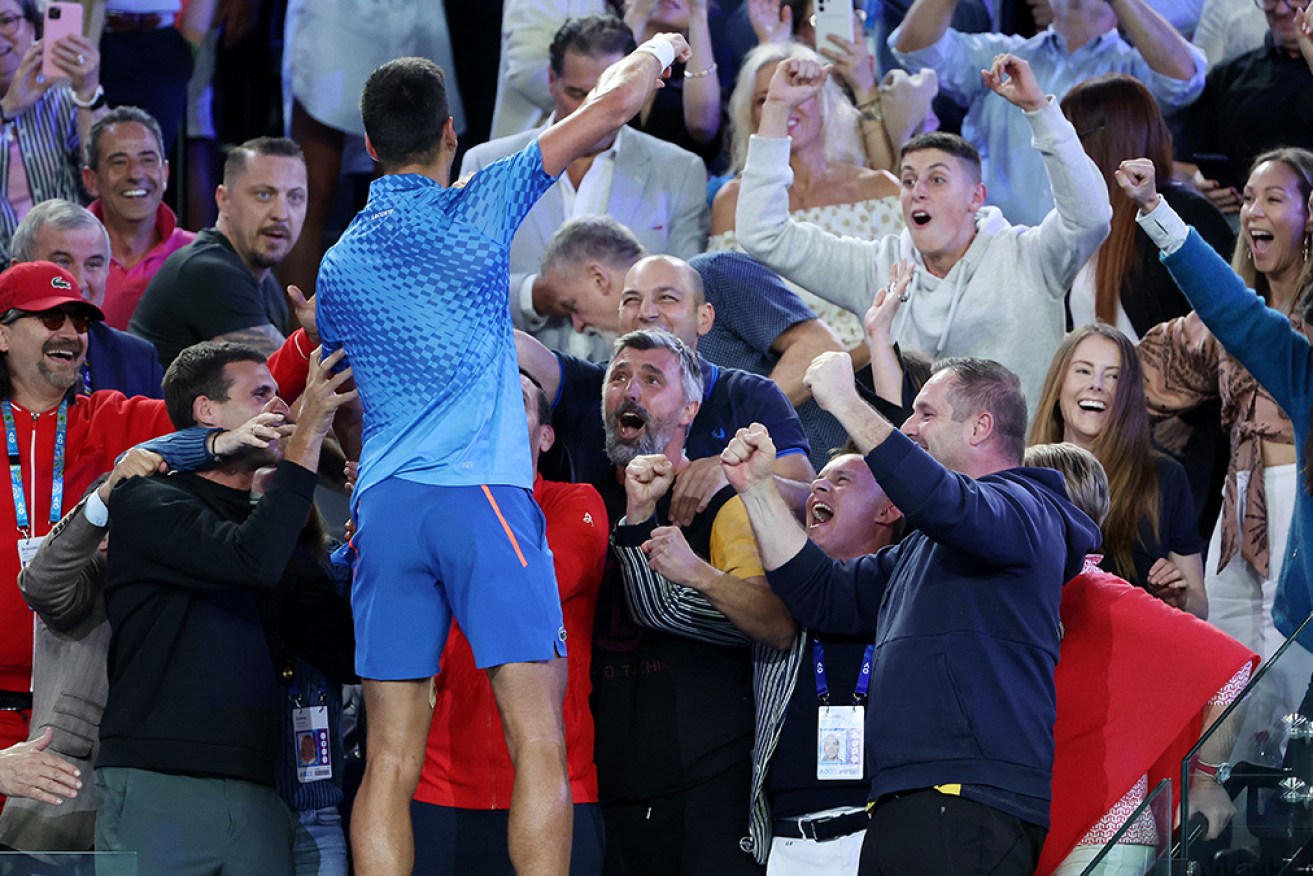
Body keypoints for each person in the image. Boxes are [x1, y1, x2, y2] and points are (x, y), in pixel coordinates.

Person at [313, 36, 692, 876]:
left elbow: (344, 401)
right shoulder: (478, 205)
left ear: (369, 146)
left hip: (385, 510)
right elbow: (609, 108)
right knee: (538, 741)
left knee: (388, 759)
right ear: (450, 133)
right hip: (478, 498)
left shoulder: (338, 264)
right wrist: (659, 45)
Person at [721, 353, 1101, 875]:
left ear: (980, 426)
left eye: (925, 413)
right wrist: (759, 492)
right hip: (903, 800)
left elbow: (948, 503)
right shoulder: (925, 547)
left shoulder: (1027, 509)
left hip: (968, 800)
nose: (909, 426)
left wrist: (848, 404)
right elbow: (825, 596)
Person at [95, 341, 356, 875]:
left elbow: (345, 651)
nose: (282, 409)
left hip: (260, 789)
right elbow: (247, 560)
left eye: (281, 395)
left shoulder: (276, 530)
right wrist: (307, 444)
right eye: (261, 393)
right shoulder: (148, 501)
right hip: (156, 783)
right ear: (206, 412)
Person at [735, 53, 1111, 421]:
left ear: (975, 197)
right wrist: (777, 107)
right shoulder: (878, 267)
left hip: (1018, 474)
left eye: (937, 179)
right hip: (919, 478)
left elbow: (1090, 218)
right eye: (910, 180)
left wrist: (1038, 110)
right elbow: (763, 234)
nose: (917, 191)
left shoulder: (1029, 257)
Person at [615, 444, 906, 873]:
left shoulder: (913, 595)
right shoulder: (776, 606)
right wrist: (640, 513)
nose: (818, 486)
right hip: (785, 844)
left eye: (841, 480)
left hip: (882, 835)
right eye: (818, 480)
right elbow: (661, 607)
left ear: (889, 511)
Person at [1121, 154, 1313, 718]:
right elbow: (1229, 309)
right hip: (1241, 506)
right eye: (1250, 197)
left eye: (1275, 198)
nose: (1256, 210)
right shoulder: (1300, 367)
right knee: (1228, 670)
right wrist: (1156, 209)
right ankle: (1222, 786)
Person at [1022, 442, 1255, 876]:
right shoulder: (1037, 592)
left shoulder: (1106, 594)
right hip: (1053, 824)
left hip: (1105, 837)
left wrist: (1205, 779)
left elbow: (1232, 669)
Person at [599, 328, 781, 874]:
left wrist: (696, 574)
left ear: (690, 408)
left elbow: (772, 622)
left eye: (652, 379)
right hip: (605, 790)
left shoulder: (721, 505)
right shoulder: (582, 502)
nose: (630, 390)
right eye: (619, 377)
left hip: (705, 791)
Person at [411, 373, 608, 875]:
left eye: (515, 400)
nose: (496, 409)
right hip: (440, 792)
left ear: (546, 436)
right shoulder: (427, 509)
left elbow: (535, 584)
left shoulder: (575, 502)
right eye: (486, 400)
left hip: (560, 789)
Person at [461, 14, 709, 362]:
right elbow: (460, 286)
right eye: (576, 94)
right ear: (551, 80)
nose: (590, 112)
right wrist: (533, 295)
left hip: (636, 386)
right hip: (513, 380)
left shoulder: (679, 171)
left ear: (642, 87)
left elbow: (687, 296)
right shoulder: (487, 164)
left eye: (605, 97)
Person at [516, 252, 814, 510]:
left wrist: (740, 478)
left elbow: (808, 501)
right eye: (632, 300)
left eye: (667, 298)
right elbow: (509, 350)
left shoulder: (751, 396)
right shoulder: (597, 385)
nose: (646, 312)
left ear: (704, 318)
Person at [889, 0, 1205, 226]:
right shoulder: (999, 55)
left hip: (1099, 260)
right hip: (997, 251)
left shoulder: (1135, 69)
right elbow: (914, 49)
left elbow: (1184, 81)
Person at [711, 41, 903, 352]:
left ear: (824, 102)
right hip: (781, 364)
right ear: (753, 115)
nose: (788, 104)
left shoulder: (881, 189)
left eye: (800, 90)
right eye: (766, 100)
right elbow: (730, 305)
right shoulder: (733, 202)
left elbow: (909, 289)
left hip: (878, 356)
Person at [1029, 324, 1206, 613]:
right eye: (1083, 371)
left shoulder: (1165, 477)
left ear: (1129, 394)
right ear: (1058, 383)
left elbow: (1199, 605)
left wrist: (1179, 599)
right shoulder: (1022, 472)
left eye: (1113, 376)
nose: (1096, 385)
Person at [130, 137, 306, 366]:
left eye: (295, 197)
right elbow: (284, 381)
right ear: (224, 200)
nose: (281, 213)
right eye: (264, 194)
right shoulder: (208, 271)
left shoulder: (266, 281)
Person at [9, 199, 163, 398]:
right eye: (62, 262)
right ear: (18, 271)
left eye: (93, 264)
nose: (80, 282)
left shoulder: (138, 360)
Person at [1174, 0, 1313, 214]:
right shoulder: (1228, 77)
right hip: (1236, 219)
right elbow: (1179, 162)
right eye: (1270, 0)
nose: (1281, 9)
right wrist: (1196, 185)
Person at [0, 0, 106, 259]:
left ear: (33, 28)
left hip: (67, 267)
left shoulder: (67, 104)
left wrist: (87, 92)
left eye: (6, 21)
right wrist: (7, 109)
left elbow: (105, 182)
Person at [80, 106, 196, 331]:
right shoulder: (63, 257)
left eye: (148, 160)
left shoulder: (198, 254)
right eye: (119, 162)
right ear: (91, 180)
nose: (135, 174)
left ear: (165, 174)